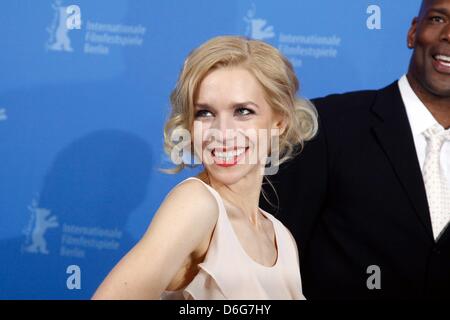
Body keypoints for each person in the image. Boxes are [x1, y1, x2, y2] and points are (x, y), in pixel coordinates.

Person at [92, 36, 317, 300]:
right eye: (205, 113)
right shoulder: (197, 205)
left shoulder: (282, 238)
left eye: (243, 111)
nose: (222, 132)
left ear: (279, 122)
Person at [260, 0, 450, 299]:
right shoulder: (326, 124)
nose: (449, 34)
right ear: (413, 31)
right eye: (438, 18)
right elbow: (270, 252)